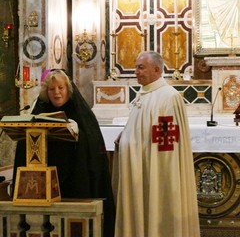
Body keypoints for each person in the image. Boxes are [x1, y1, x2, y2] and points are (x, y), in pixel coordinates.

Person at [13, 69, 115, 237]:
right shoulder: (40, 110)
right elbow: (25, 143)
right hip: (44, 183)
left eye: (61, 88)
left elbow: (94, 144)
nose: (57, 93)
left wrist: (79, 134)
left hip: (76, 179)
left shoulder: (82, 114)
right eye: (52, 89)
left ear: (68, 89)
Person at [113, 51, 200, 237]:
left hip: (157, 172)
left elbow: (166, 144)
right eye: (136, 67)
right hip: (140, 168)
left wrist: (159, 175)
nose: (135, 71)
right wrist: (125, 137)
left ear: (156, 69)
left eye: (141, 67)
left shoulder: (168, 97)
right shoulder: (144, 94)